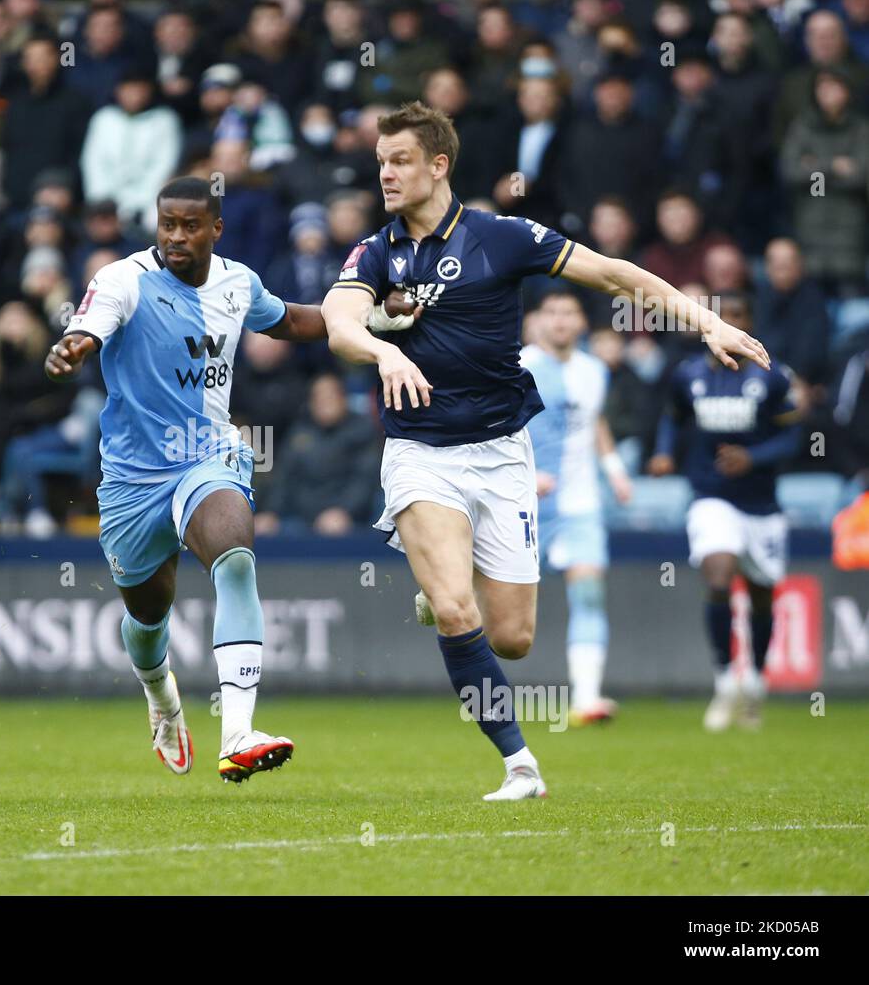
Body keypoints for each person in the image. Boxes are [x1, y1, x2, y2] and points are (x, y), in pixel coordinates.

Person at [321, 101, 769, 801]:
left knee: (512, 639)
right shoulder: (377, 252)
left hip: (503, 452)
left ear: (439, 165)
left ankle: (443, 586)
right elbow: (338, 321)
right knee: (457, 615)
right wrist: (381, 351)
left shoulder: (503, 237)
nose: (386, 173)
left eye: (400, 159)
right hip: (421, 451)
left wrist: (706, 322)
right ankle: (519, 765)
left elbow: (617, 275)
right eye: (381, 161)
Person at [45, 176, 327, 782]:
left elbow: (293, 322)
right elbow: (89, 328)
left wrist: (374, 316)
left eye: (189, 226)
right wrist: (72, 348)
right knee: (148, 619)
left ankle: (239, 733)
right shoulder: (124, 279)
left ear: (215, 229)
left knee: (236, 555)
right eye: (167, 224)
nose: (176, 237)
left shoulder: (238, 282)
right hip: (131, 479)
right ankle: (162, 699)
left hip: (208, 455)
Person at [649, 294, 802, 733]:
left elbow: (794, 440)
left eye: (737, 317)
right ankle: (723, 681)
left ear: (749, 325)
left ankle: (754, 684)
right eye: (721, 318)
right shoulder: (689, 375)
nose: (728, 325)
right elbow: (672, 418)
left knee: (760, 594)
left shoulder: (773, 375)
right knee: (719, 573)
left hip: (762, 505)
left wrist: (752, 458)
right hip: (710, 495)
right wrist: (662, 453)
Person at [518, 292, 632, 726]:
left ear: (581, 322)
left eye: (569, 312)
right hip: (522, 501)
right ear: (539, 320)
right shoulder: (520, 366)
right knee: (503, 608)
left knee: (588, 592)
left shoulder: (594, 371)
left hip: (580, 501)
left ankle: (587, 698)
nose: (561, 320)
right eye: (553, 312)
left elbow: (595, 422)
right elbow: (498, 425)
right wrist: (528, 474)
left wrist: (615, 471)